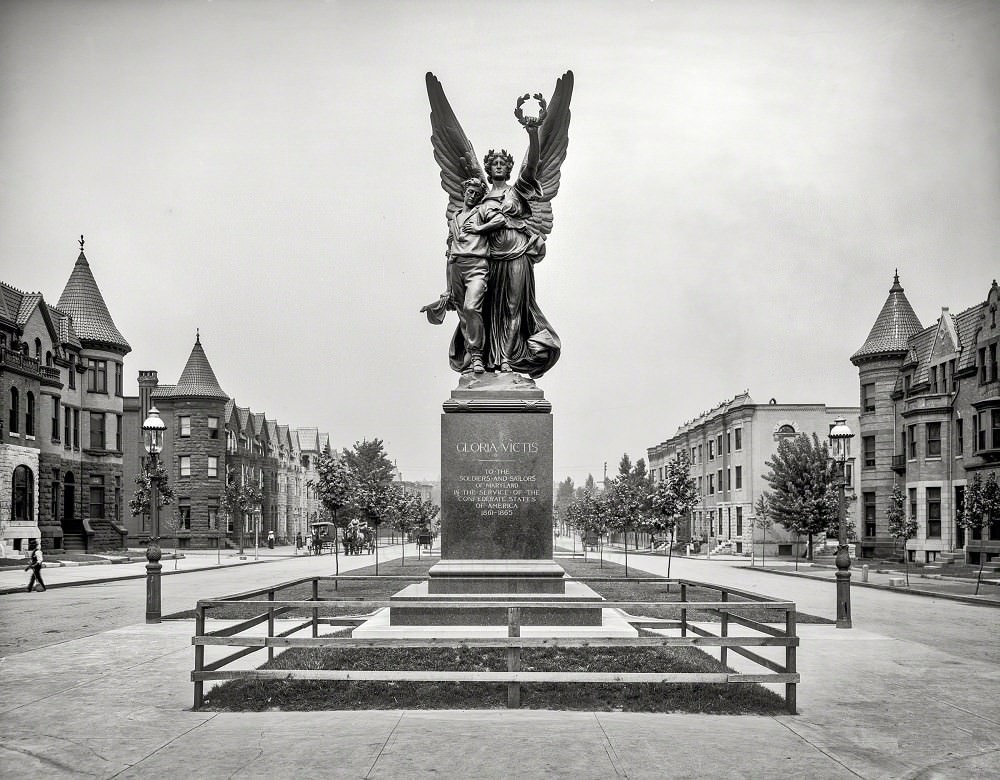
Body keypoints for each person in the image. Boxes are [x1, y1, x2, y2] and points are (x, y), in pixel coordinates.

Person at [479, 125, 560, 376]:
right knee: (489, 310)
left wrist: (533, 132)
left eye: (504, 162)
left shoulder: (519, 189)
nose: (500, 166)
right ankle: (489, 360)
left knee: (514, 307)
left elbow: (533, 164)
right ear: (489, 169)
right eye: (495, 163)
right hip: (490, 257)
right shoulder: (480, 196)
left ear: (510, 168)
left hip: (518, 253)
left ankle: (506, 359)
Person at [422, 177, 495, 374]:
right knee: (464, 314)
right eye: (470, 192)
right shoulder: (454, 218)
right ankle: (473, 355)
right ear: (464, 193)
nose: (472, 196)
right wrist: (448, 289)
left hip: (477, 265)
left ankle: (478, 355)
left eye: (477, 194)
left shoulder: (482, 211)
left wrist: (481, 228)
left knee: (472, 308)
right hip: (457, 266)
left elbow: (501, 219)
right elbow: (450, 254)